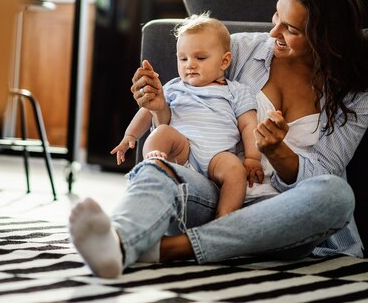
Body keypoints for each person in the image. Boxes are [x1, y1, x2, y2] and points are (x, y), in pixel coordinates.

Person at [69, 0, 368, 279]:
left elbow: (323, 173)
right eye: (276, 16)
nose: (274, 33)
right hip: (216, 195)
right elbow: (189, 112)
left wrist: (277, 151)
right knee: (157, 166)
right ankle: (118, 241)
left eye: (291, 29)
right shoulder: (240, 49)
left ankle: (169, 249)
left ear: (326, 37)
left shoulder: (355, 99)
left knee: (337, 196)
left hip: (279, 218)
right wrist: (158, 106)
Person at [110, 14, 265, 218]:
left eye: (200, 58)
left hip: (217, 157)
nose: (189, 64)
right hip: (181, 150)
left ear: (224, 61)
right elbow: (147, 111)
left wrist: (253, 157)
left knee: (236, 170)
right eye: (183, 58)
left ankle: (224, 219)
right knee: (163, 132)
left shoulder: (236, 91)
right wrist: (130, 136)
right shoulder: (174, 87)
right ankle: (154, 160)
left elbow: (248, 125)